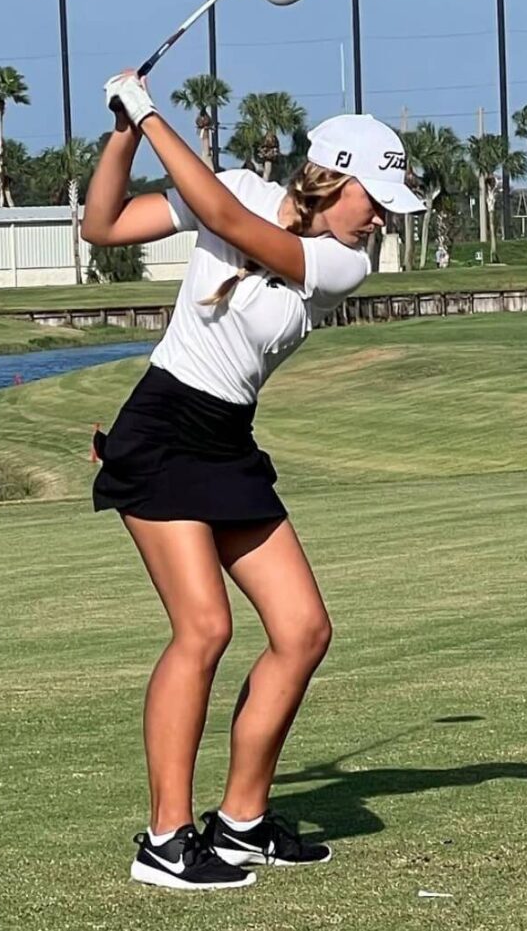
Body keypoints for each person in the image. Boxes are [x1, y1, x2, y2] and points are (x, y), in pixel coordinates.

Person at [82, 72, 425, 892]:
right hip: (163, 430)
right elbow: (104, 224)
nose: (381, 216)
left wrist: (151, 111)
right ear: (334, 177)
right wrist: (125, 128)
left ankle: (238, 823)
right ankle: (165, 839)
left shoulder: (345, 263)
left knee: (303, 628)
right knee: (203, 629)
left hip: (227, 439)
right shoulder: (232, 183)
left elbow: (231, 223)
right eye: (374, 198)